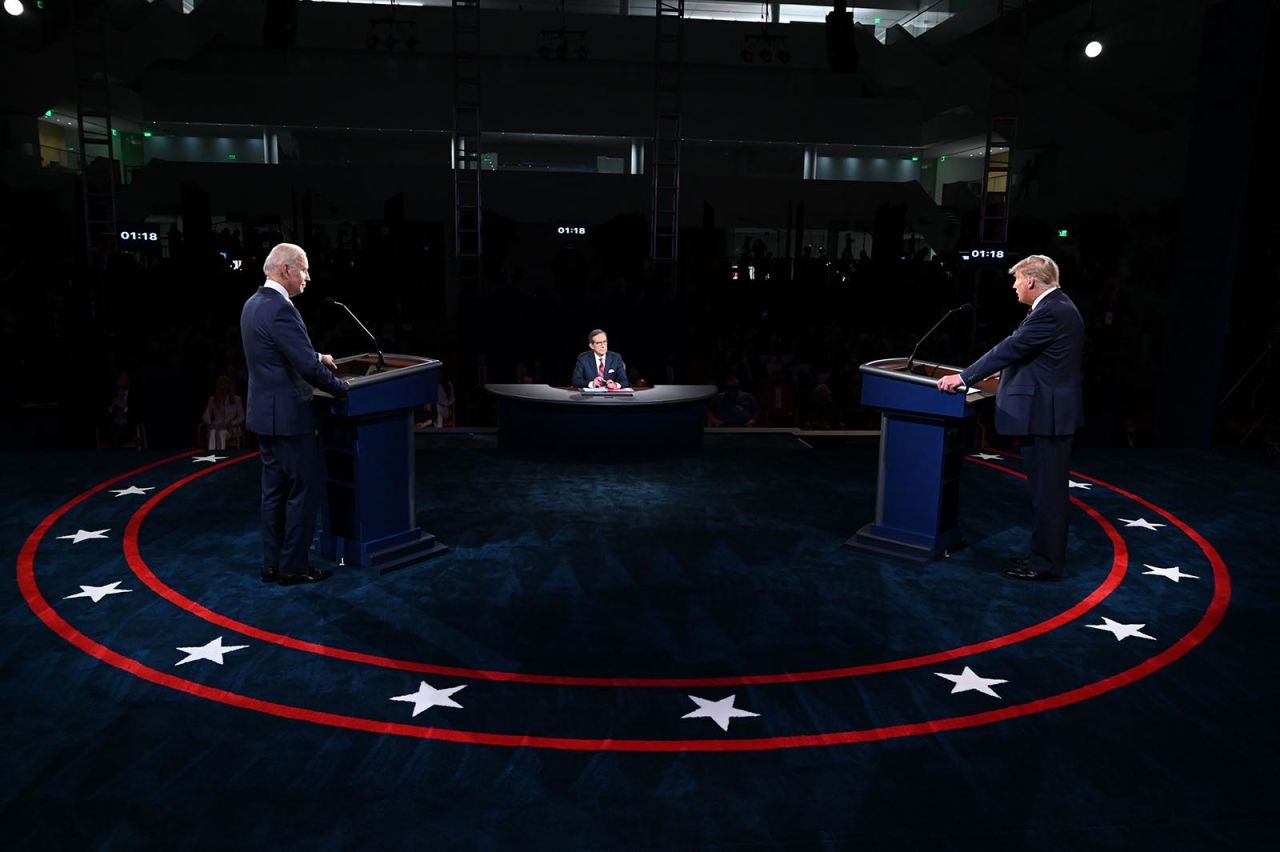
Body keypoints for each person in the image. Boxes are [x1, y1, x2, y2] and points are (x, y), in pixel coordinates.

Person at [937, 254, 1084, 580]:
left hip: (1048, 418)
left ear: (1031, 280)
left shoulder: (1052, 311)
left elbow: (1010, 348)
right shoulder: (1056, 307)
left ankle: (1045, 564)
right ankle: (1041, 557)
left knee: (1048, 496)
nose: (1015, 287)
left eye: (1017, 280)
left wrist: (964, 378)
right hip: (1047, 415)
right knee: (1045, 494)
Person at [241, 243, 349, 586]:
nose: (308, 277)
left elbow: (278, 350)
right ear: (286, 269)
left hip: (263, 416)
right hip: (290, 417)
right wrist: (343, 388)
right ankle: (294, 567)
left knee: (273, 493)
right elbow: (304, 367)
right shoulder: (282, 309)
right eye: (304, 269)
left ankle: (272, 564)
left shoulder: (253, 304)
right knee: (305, 488)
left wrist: (317, 355)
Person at [201, 374, 245, 450]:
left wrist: (232, 423)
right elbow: (205, 415)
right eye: (220, 385)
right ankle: (212, 455)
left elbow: (241, 416)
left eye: (224, 385)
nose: (222, 387)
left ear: (228, 386)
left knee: (221, 434)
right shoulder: (213, 399)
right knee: (212, 433)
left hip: (230, 428)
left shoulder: (236, 399)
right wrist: (209, 423)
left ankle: (220, 456)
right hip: (216, 426)